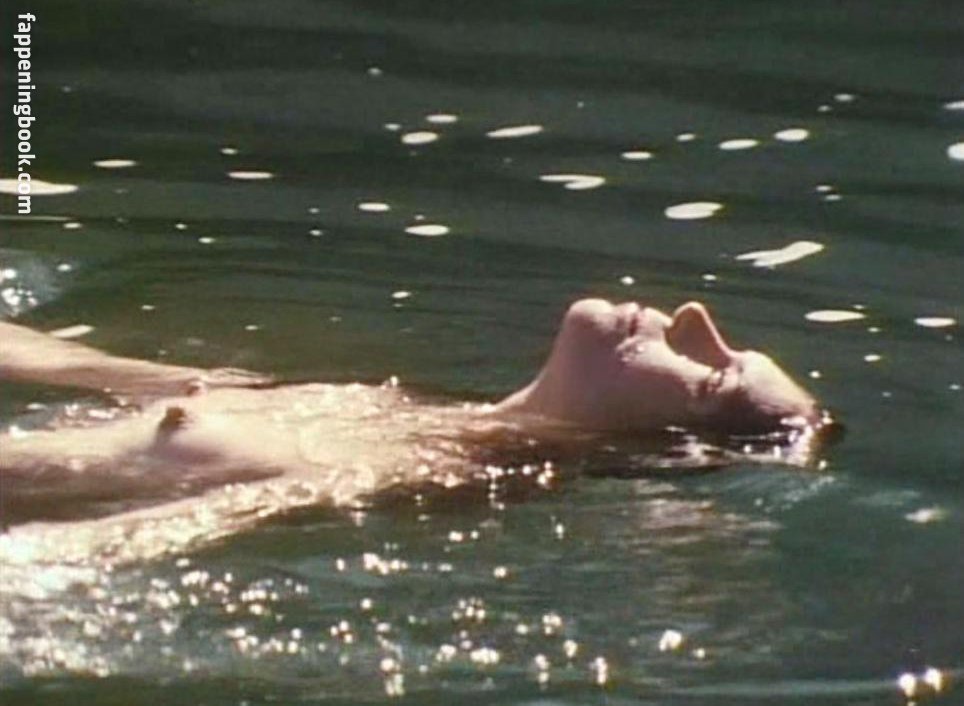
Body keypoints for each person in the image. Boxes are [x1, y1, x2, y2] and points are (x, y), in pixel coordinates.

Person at [0, 299, 829, 559]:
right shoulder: (392, 408)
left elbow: (174, 527)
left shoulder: (443, 477)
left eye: (709, 373)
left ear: (664, 436)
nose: (692, 318)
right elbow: (81, 366)